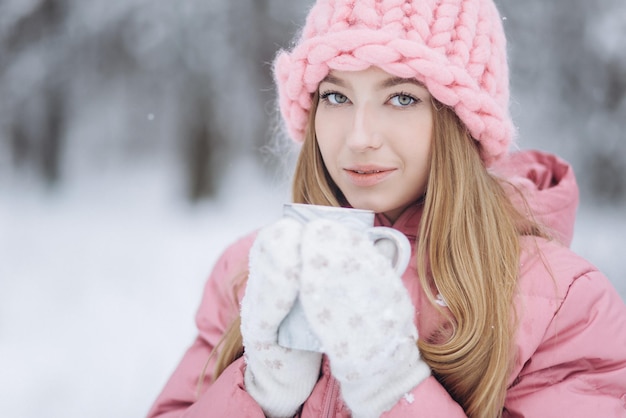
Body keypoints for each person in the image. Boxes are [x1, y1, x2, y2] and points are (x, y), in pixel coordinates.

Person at [147, 0, 626, 417]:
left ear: (462, 123)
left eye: (401, 98)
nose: (359, 137)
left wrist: (394, 389)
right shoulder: (247, 271)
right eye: (336, 96)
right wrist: (259, 395)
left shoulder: (564, 302)